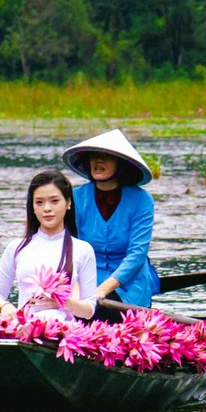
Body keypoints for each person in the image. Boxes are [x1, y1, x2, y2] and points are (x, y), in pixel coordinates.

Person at [61, 128, 159, 308]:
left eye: (106, 156)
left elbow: (137, 254)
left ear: (121, 164)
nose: (98, 161)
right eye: (94, 156)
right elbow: (70, 248)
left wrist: (103, 290)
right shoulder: (76, 198)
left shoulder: (142, 200)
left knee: (103, 311)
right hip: (85, 278)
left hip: (129, 285)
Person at [0, 170, 99, 320]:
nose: (47, 208)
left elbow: (89, 310)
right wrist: (5, 306)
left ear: (68, 203)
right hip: (25, 330)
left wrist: (62, 302)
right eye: (39, 202)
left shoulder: (83, 250)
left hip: (64, 334)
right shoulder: (16, 248)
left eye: (54, 201)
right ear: (32, 207)